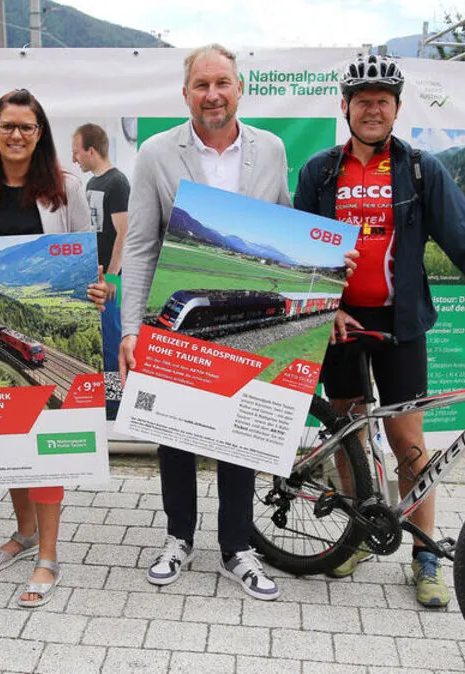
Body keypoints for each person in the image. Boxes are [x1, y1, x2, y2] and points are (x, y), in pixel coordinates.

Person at [293, 53, 465, 608]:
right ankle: (353, 535)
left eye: (382, 101)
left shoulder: (421, 169)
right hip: (341, 327)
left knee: (408, 443)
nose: (372, 109)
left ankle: (425, 554)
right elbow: (302, 254)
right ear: (345, 107)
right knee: (350, 437)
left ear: (396, 108)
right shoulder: (319, 172)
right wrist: (324, 311)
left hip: (401, 326)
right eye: (362, 100)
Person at [118, 44, 294, 602]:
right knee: (175, 431)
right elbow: (142, 246)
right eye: (201, 85)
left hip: (240, 316)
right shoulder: (155, 152)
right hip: (181, 324)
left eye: (222, 83)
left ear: (239, 87)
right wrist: (130, 329)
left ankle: (237, 549)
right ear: (186, 92)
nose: (212, 94)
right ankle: (178, 537)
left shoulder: (271, 150)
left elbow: (284, 224)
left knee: (242, 436)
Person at [0, 88, 92, 608]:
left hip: (50, 322)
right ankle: (24, 532)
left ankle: (47, 555)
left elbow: (85, 259)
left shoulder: (67, 187)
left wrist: (96, 287)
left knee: (49, 445)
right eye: (7, 126)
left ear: (40, 133)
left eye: (26, 127)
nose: (16, 135)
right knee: (9, 442)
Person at [72, 123, 130, 376]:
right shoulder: (91, 184)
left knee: (113, 343)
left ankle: (118, 402)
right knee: (101, 343)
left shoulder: (117, 182)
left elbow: (124, 233)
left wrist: (112, 276)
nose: (75, 158)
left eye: (77, 152)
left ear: (91, 150)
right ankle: (106, 402)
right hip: (95, 278)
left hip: (110, 280)